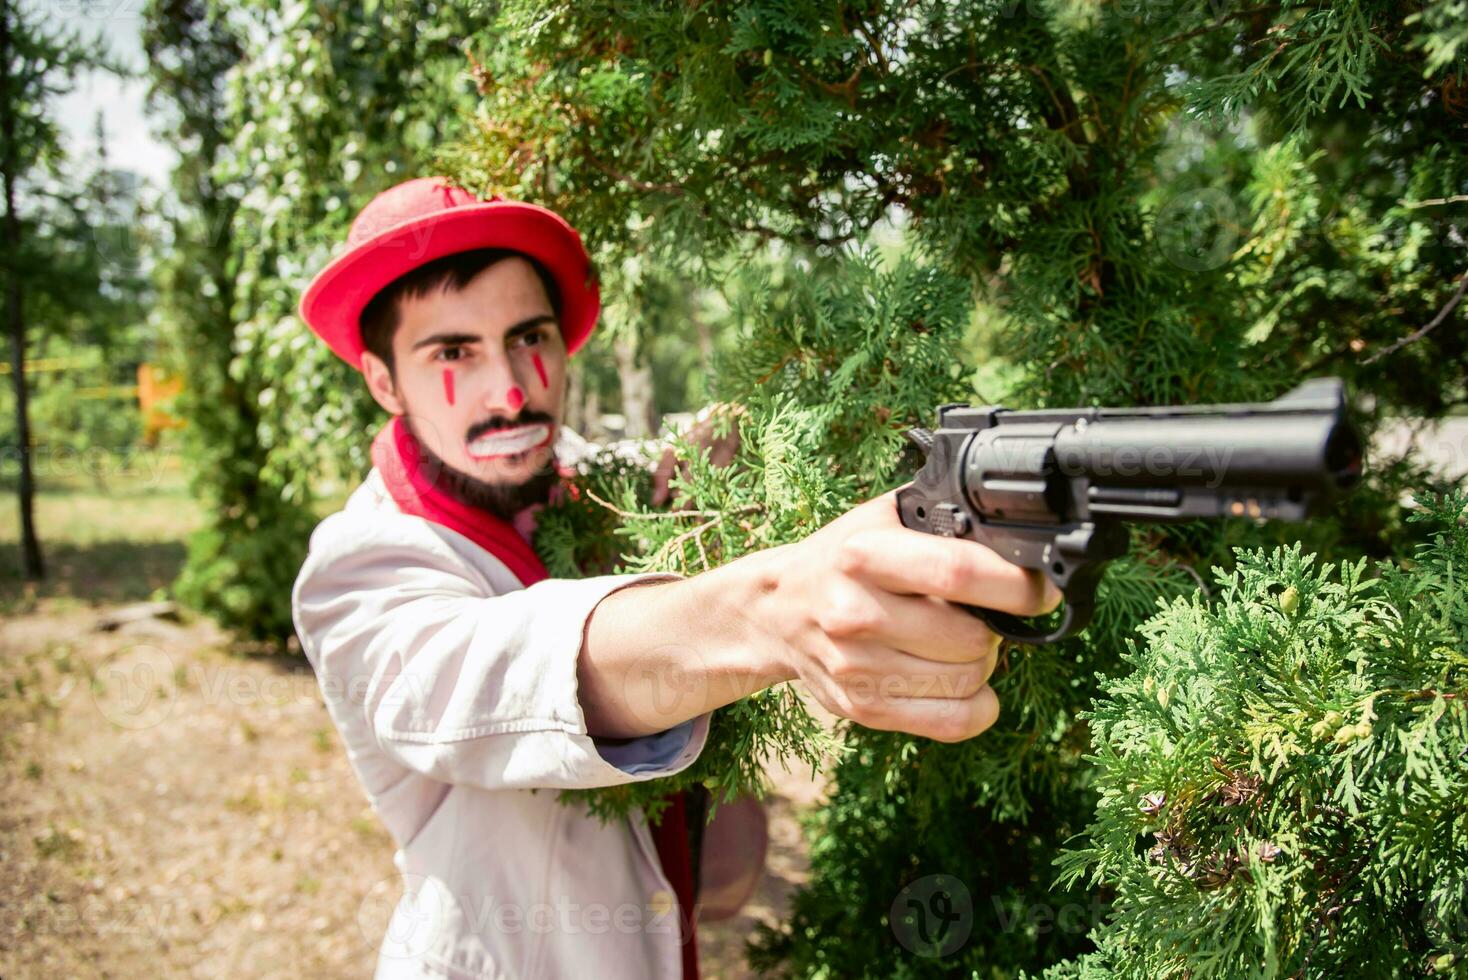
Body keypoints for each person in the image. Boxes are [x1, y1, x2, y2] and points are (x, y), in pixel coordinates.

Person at [292, 177, 1062, 980]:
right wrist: (767, 613)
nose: (512, 389)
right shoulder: (356, 566)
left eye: (530, 337)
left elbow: (670, 471)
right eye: (454, 352)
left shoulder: (585, 480)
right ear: (383, 381)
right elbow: (493, 670)